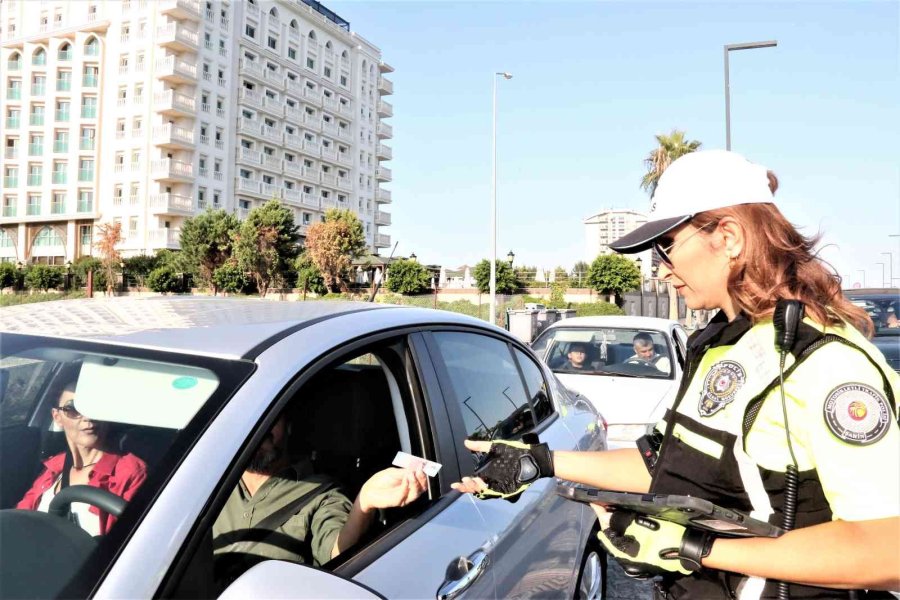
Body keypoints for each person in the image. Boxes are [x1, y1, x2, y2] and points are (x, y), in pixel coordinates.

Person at [453, 150, 900, 598]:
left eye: (665, 246)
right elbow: (665, 464)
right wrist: (541, 462)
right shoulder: (721, 344)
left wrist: (693, 547)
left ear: (728, 237)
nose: (663, 270)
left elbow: (887, 551)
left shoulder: (824, 360)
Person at [212, 412, 427, 585]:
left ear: (288, 425)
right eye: (250, 418)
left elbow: (338, 554)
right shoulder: (207, 482)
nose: (258, 428)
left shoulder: (322, 492)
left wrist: (365, 502)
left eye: (268, 417)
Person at [17, 378, 147, 535]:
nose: (87, 417)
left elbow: (130, 541)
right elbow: (20, 520)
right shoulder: (53, 467)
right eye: (73, 409)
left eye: (95, 407)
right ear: (57, 417)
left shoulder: (129, 472)